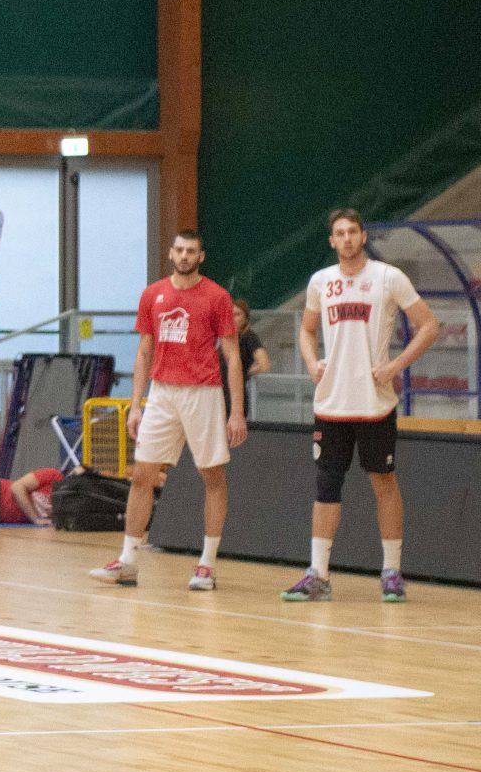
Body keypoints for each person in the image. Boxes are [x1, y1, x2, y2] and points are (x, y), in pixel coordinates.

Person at [281, 208, 439, 604]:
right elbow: (306, 330)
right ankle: (318, 575)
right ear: (332, 241)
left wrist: (396, 367)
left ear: (363, 236)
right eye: (340, 233)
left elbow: (429, 326)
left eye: (353, 231)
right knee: (326, 487)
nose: (347, 238)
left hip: (374, 404)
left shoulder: (388, 277)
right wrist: (310, 362)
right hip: (331, 403)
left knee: (384, 483)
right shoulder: (321, 282)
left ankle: (391, 572)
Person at [89, 231, 247, 591]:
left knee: (212, 477)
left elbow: (233, 357)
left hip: (203, 392)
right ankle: (128, 561)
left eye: (191, 251)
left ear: (201, 256)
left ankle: (206, 565)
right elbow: (144, 351)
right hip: (161, 393)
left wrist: (236, 412)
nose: (184, 255)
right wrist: (135, 405)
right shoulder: (152, 294)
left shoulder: (217, 297)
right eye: (179, 249)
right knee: (142, 475)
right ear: (171, 253)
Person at [222, 298, 272, 418]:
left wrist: (245, 373)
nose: (233, 318)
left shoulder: (249, 337)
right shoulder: (225, 337)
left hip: (234, 397)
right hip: (218, 394)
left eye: (237, 314)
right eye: (231, 314)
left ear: (245, 318)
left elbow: (264, 364)